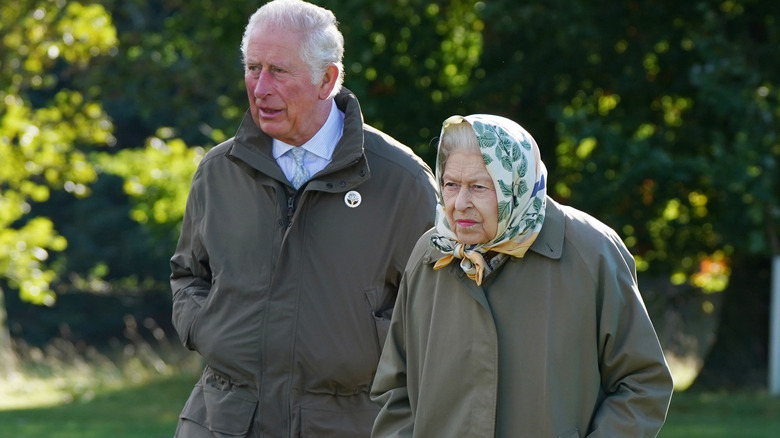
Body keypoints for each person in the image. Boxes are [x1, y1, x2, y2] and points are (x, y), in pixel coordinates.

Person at [169, 1, 438, 436]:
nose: (260, 88)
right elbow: (187, 274)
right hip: (223, 420)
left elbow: (437, 303)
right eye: (253, 68)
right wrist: (206, 328)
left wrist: (372, 344)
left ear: (327, 79)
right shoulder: (219, 171)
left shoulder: (400, 180)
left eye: (278, 70)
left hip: (349, 424)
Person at [370, 114, 674, 437]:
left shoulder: (592, 252)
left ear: (514, 185)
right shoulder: (430, 254)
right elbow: (395, 390)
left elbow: (642, 382)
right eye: (450, 184)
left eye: (478, 187)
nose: (460, 203)